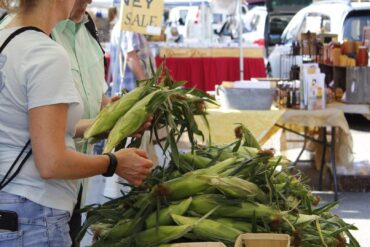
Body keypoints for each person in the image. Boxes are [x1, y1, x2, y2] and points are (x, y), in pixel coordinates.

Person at [0, 1, 153, 247]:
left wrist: (109, 123)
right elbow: (51, 163)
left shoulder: (6, 39)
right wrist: (114, 163)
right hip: (36, 218)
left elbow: (30, 129)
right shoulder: (45, 53)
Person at [110, 17, 154, 94]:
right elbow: (131, 57)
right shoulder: (128, 26)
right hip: (133, 91)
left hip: (132, 90)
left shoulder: (127, 25)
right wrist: (145, 87)